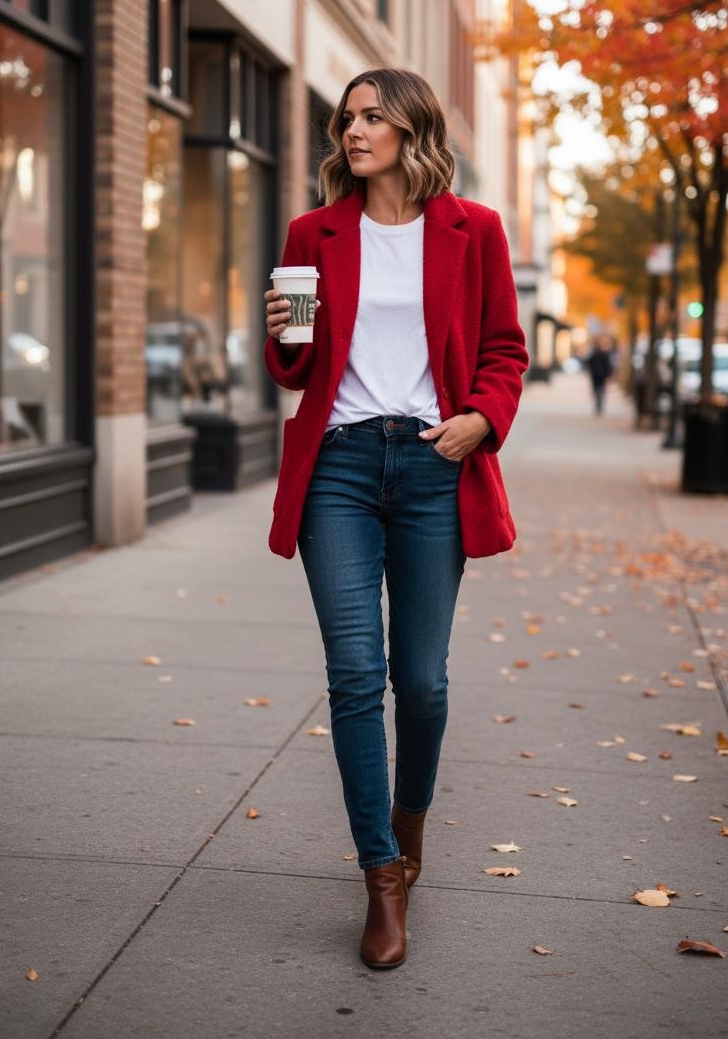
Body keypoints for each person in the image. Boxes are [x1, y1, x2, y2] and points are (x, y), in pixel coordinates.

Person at [262, 68, 529, 970]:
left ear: (413, 128)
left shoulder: (474, 230)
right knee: (353, 674)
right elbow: (292, 370)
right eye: (348, 119)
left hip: (430, 466)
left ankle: (408, 829)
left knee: (422, 685)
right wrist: (285, 334)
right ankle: (381, 875)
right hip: (336, 465)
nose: (354, 131)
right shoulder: (314, 230)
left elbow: (504, 349)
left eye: (372, 116)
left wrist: (482, 419)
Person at [584, 335, 615, 415]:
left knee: (597, 389)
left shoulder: (595, 353)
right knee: (600, 389)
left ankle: (598, 404)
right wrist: (609, 375)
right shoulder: (604, 354)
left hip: (597, 375)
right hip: (600, 375)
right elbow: (608, 365)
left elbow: (588, 363)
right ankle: (599, 404)